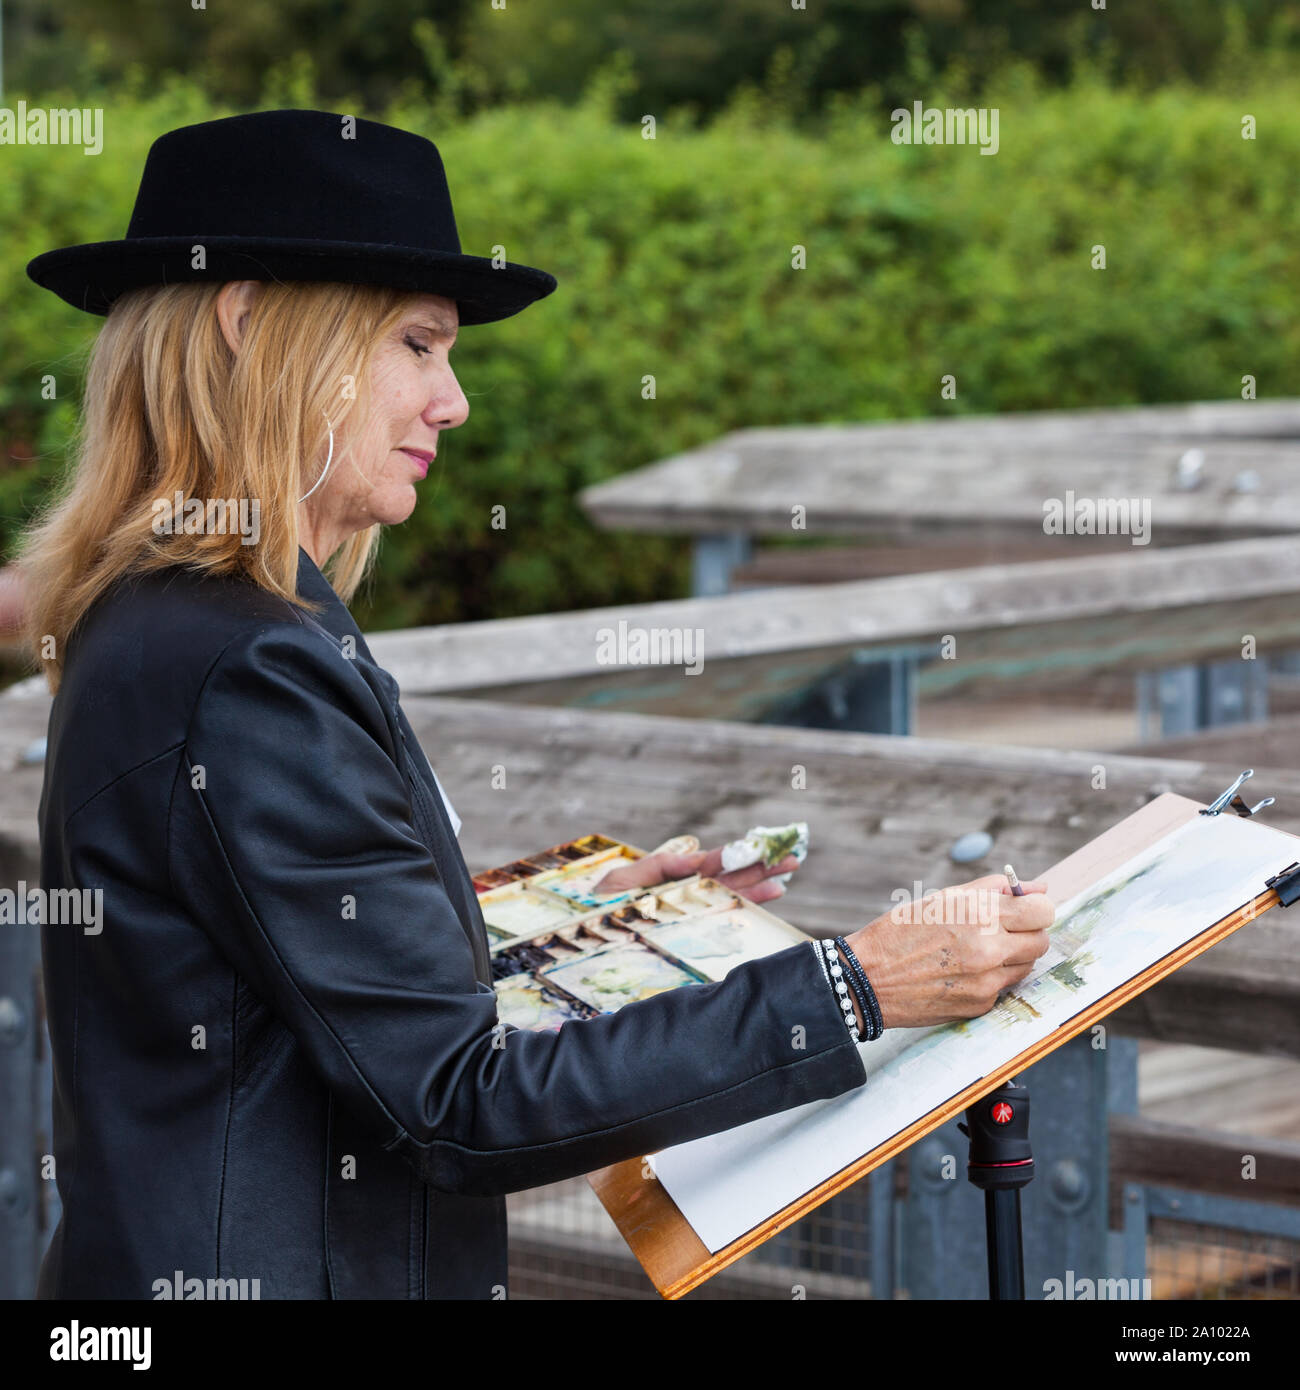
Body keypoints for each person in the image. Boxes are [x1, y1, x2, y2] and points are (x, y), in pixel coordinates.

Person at [18, 109, 1054, 1299]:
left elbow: (288, 962)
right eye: (418, 344)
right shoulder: (246, 664)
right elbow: (459, 1102)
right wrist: (854, 984)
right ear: (251, 328)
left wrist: (590, 918)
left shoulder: (164, 616)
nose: (452, 402)